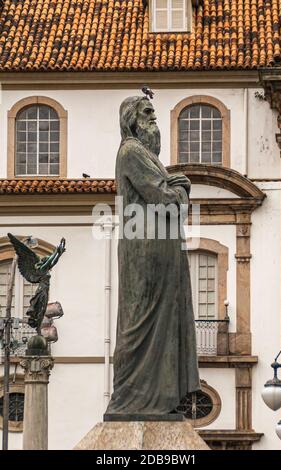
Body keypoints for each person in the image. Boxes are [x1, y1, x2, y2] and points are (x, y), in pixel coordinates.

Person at [105, 96, 200, 417]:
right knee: (141, 320)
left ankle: (159, 397)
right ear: (131, 121)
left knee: (161, 317)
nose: (154, 120)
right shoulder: (131, 151)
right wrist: (182, 186)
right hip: (145, 248)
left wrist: (178, 187)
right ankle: (131, 398)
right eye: (147, 114)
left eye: (154, 114)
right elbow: (166, 197)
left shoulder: (144, 155)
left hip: (158, 246)